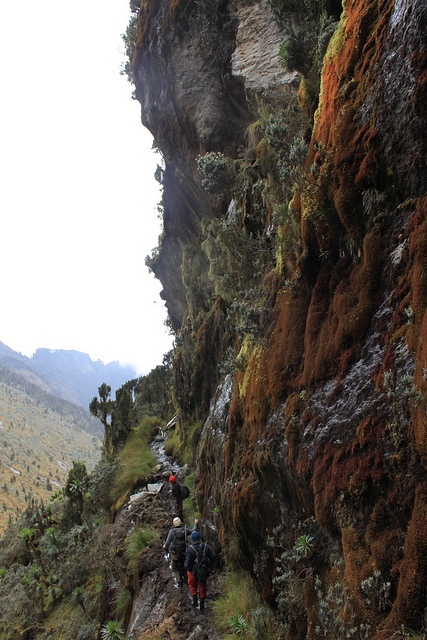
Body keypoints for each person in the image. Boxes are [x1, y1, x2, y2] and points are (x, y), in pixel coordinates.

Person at [185, 530, 214, 610]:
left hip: (192, 572)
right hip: (203, 571)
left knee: (192, 585)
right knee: (202, 586)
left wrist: (190, 569)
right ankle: (202, 604)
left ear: (192, 539)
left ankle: (194, 601)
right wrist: (207, 567)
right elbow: (212, 558)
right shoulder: (206, 547)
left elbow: (187, 564)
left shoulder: (190, 549)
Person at [163, 516, 187, 588]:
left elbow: (167, 543)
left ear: (174, 524)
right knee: (182, 565)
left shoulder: (172, 532)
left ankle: (179, 583)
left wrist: (164, 546)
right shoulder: (185, 530)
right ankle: (185, 578)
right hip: (183, 553)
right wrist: (195, 524)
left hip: (174, 554)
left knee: (175, 567)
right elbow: (193, 531)